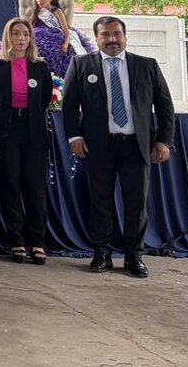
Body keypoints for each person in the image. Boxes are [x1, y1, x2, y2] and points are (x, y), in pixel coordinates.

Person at [63, 16, 176, 278]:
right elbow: (69, 106)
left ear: (125, 36)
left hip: (136, 147)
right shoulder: (81, 64)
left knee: (136, 203)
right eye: (105, 35)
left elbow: (164, 106)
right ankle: (101, 253)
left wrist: (163, 140)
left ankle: (133, 256)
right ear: (97, 38)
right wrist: (73, 137)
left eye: (116, 34)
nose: (112, 39)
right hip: (98, 147)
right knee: (100, 201)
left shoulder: (146, 65)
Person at [0, 18, 53, 264]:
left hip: (33, 131)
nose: (21, 38)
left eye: (25, 34)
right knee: (11, 186)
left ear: (30, 38)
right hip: (6, 130)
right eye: (16, 34)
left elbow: (44, 98)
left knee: (35, 189)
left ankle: (37, 242)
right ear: (8, 37)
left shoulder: (40, 67)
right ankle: (16, 242)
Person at [27, 0, 96, 79]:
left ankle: (54, 77)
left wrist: (65, 43)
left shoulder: (56, 11)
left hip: (58, 35)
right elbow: (29, 27)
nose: (39, 0)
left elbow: (65, 29)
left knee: (54, 52)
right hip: (39, 35)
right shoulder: (37, 12)